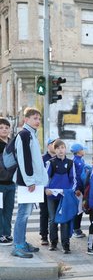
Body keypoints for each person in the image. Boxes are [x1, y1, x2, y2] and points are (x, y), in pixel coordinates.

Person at [11, 107, 49, 258]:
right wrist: (29, 181)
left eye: (39, 119)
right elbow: (24, 159)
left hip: (32, 181)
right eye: (34, 118)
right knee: (23, 213)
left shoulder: (32, 134)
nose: (38, 121)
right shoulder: (25, 134)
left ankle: (22, 242)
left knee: (26, 213)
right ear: (25, 120)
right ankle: (18, 246)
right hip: (27, 182)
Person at [45, 139, 77, 254]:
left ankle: (66, 244)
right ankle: (53, 243)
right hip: (52, 197)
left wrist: (70, 191)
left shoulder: (70, 163)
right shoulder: (51, 162)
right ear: (55, 149)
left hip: (65, 196)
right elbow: (45, 178)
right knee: (53, 220)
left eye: (62, 147)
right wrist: (46, 189)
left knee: (65, 220)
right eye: (58, 148)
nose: (60, 150)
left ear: (65, 149)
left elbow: (74, 180)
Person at [0, 118, 15, 246]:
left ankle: (7, 233)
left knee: (9, 210)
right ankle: (0, 235)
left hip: (11, 183)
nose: (4, 129)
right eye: (1, 127)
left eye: (6, 127)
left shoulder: (13, 143)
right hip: (0, 184)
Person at [40, 138, 57, 246]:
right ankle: (44, 236)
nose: (55, 146)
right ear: (48, 146)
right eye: (53, 144)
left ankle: (54, 236)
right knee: (44, 212)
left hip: (57, 190)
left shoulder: (60, 158)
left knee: (54, 214)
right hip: (44, 189)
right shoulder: (42, 158)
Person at [71, 143, 87, 239]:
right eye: (82, 150)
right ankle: (75, 229)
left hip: (82, 188)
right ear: (78, 151)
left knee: (80, 209)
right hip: (78, 189)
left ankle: (77, 228)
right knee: (78, 210)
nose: (84, 151)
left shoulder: (81, 160)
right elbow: (75, 176)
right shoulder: (76, 161)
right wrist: (76, 188)